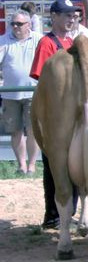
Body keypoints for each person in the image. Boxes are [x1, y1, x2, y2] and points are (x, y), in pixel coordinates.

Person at [30, 0, 81, 229]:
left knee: (75, 164)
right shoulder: (47, 43)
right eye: (66, 14)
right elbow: (42, 81)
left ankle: (68, 213)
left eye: (73, 15)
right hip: (54, 115)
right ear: (53, 16)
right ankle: (53, 216)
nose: (71, 18)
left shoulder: (71, 42)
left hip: (73, 113)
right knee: (54, 165)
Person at [0, 10, 43, 174]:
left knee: (33, 131)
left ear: (29, 25)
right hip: (10, 94)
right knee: (15, 131)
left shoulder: (39, 39)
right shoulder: (3, 40)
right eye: (13, 23)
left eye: (19, 24)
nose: (16, 27)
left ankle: (32, 165)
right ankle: (21, 165)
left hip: (34, 93)